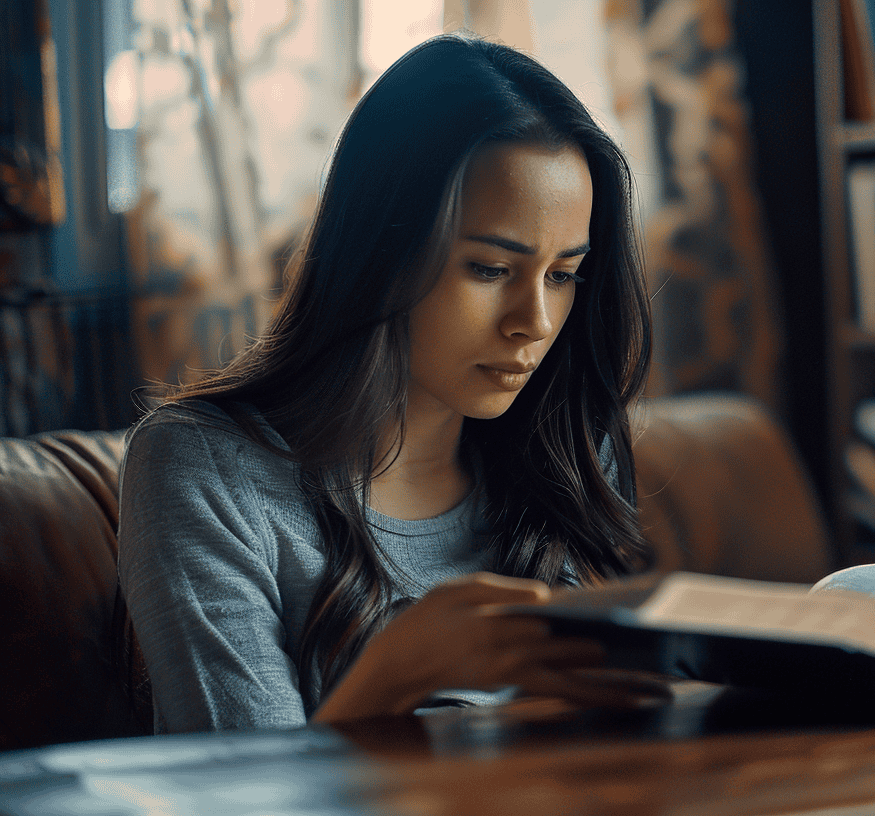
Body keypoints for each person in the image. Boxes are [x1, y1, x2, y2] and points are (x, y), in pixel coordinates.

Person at [117, 34, 656, 733]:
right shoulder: (205, 470)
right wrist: (397, 674)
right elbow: (244, 796)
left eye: (563, 275)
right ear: (382, 253)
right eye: (491, 269)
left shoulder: (568, 454)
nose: (536, 322)